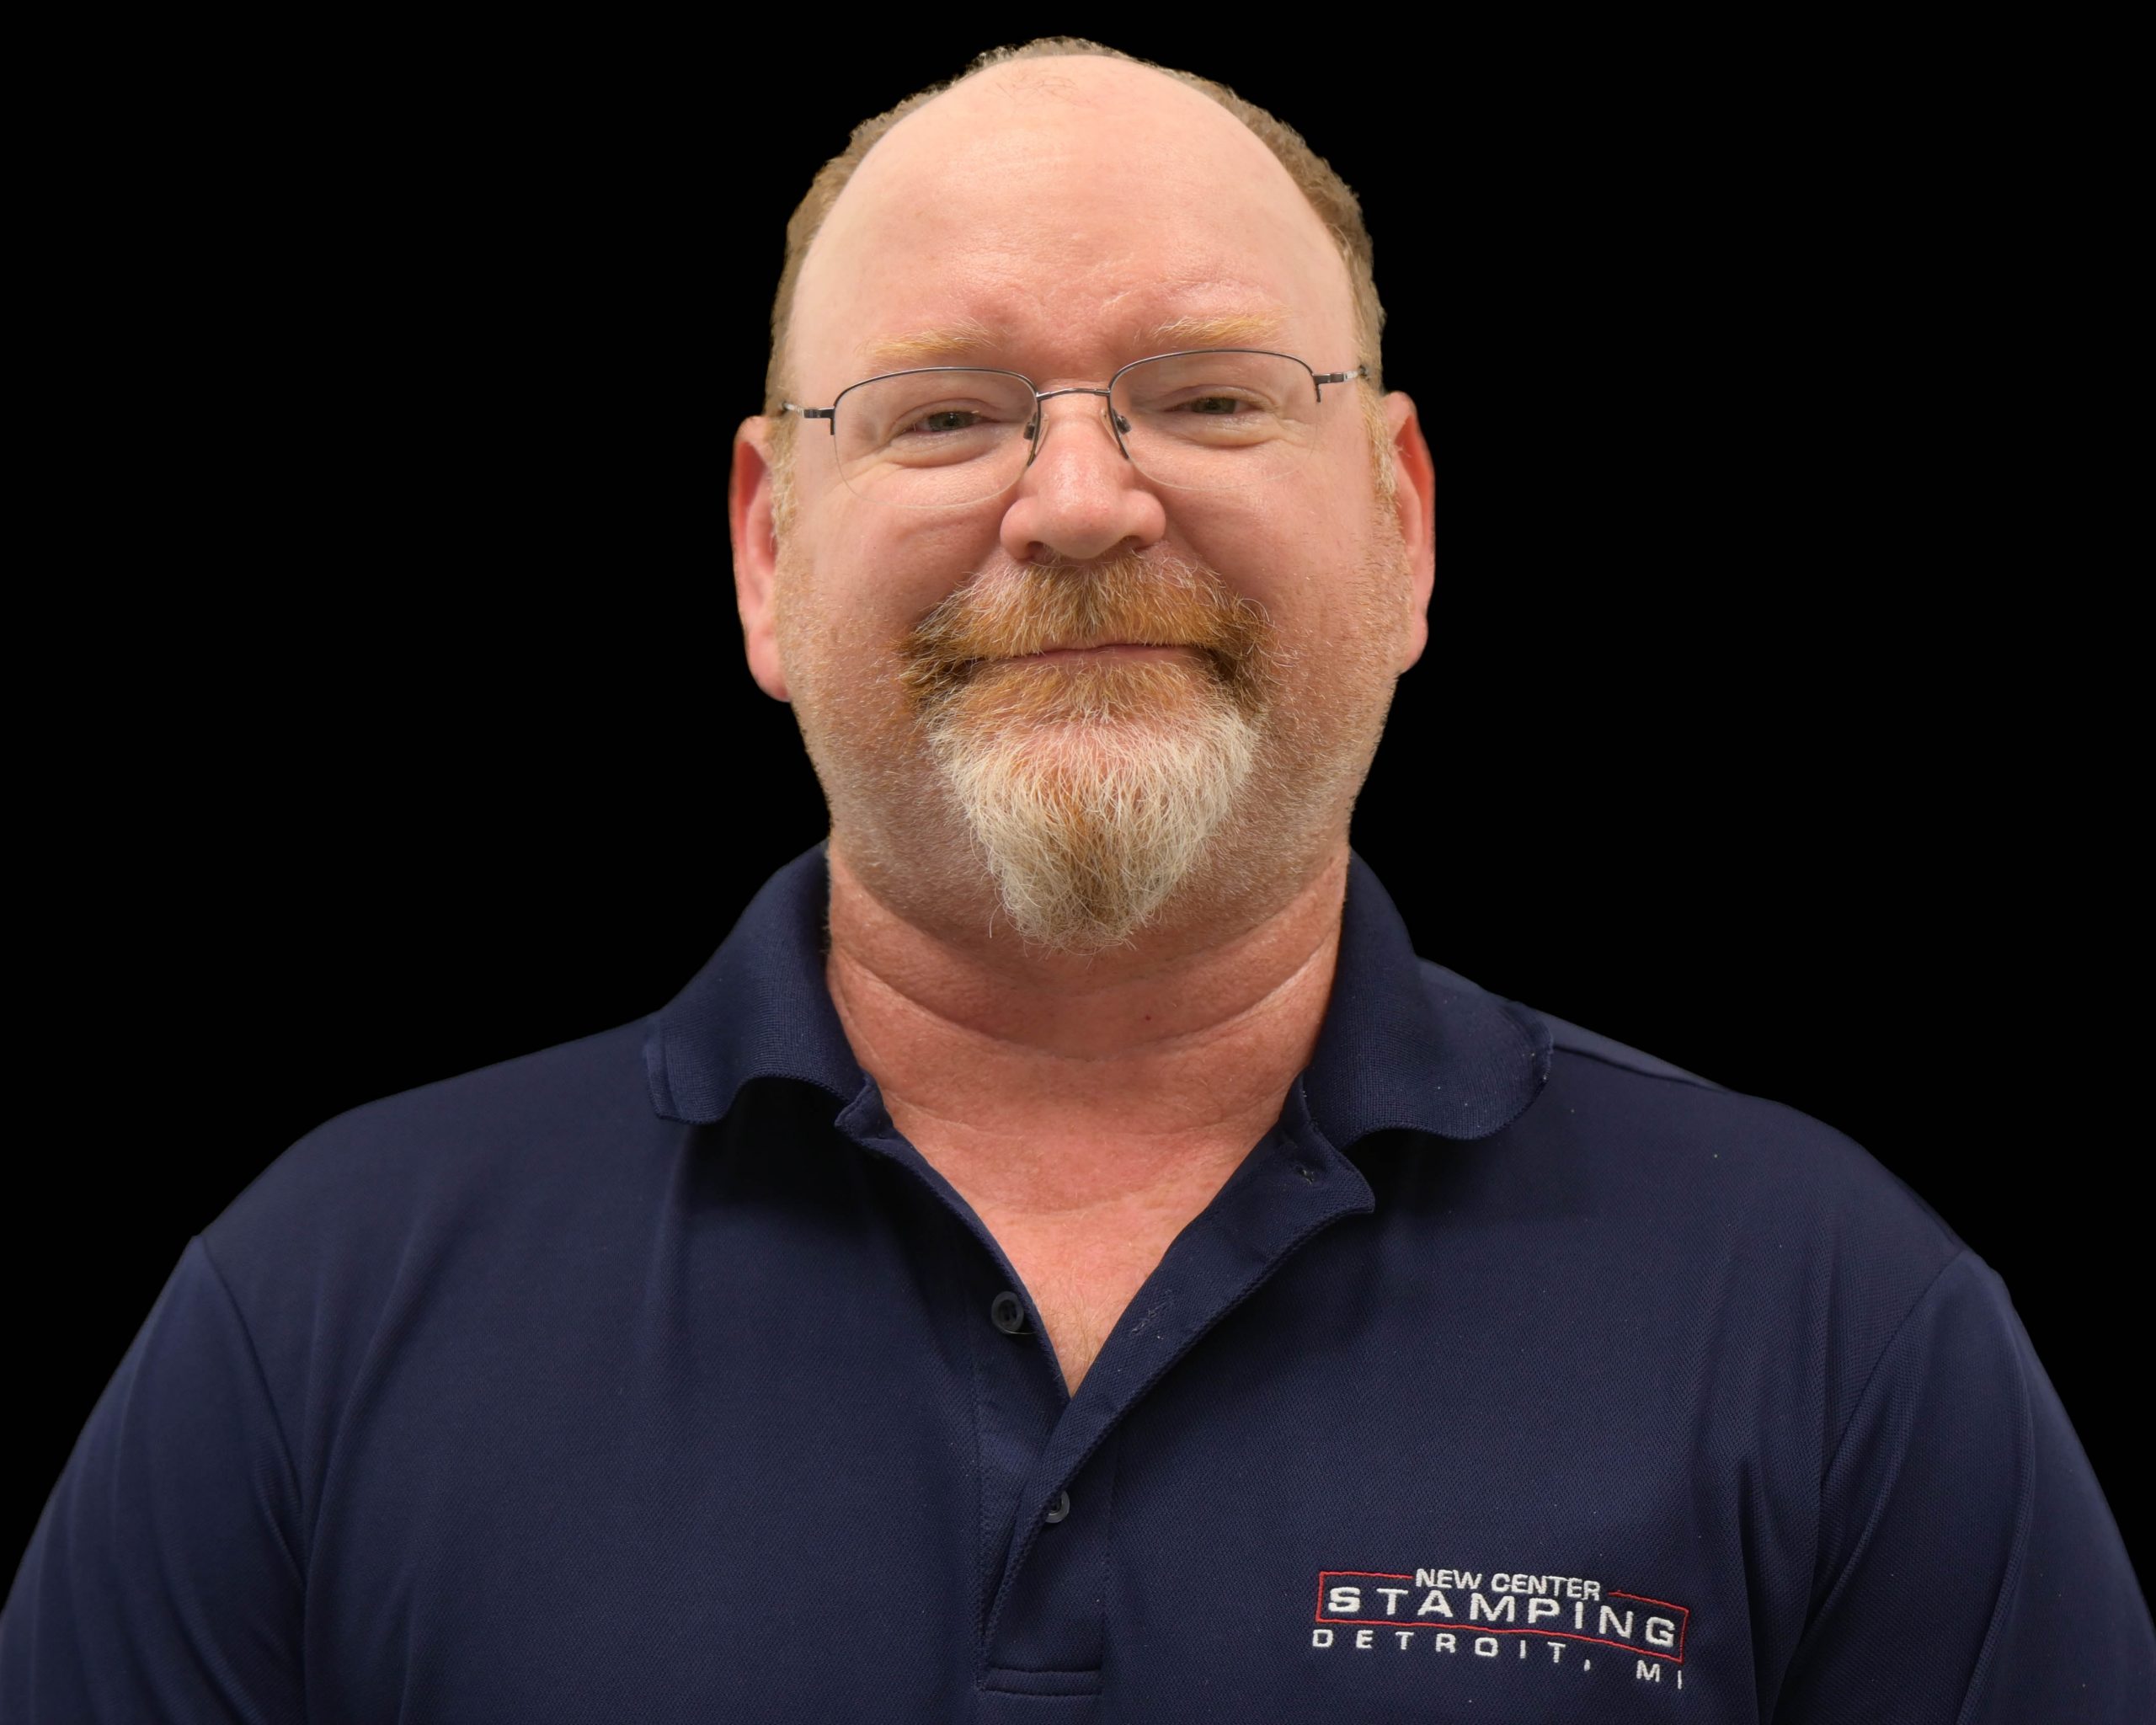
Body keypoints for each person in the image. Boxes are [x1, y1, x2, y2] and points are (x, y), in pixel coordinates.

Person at [4, 36, 2148, 1722]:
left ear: (1400, 522)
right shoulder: (308, 1322)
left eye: (1207, 395)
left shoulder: (1839, 1324)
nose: (1079, 501)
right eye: (941, 416)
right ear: (765, 549)